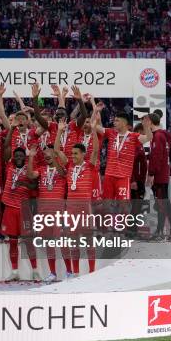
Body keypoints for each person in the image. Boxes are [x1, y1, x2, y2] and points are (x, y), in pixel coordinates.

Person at [55, 116, 99, 277]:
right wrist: (59, 132)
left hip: (85, 208)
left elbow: (95, 150)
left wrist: (93, 129)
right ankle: (75, 273)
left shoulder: (90, 166)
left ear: (82, 154)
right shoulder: (69, 165)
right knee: (73, 241)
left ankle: (93, 271)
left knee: (88, 240)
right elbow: (57, 150)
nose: (72, 156)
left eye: (75, 153)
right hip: (71, 208)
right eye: (72, 153)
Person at [1, 118, 39, 281]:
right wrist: (11, 129)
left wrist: (24, 182)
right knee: (13, 241)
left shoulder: (29, 168)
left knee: (29, 241)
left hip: (24, 209)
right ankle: (15, 271)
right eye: (15, 155)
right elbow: (7, 146)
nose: (17, 157)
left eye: (20, 155)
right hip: (10, 207)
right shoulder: (9, 165)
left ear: (24, 157)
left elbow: (33, 187)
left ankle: (35, 270)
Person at [26, 143, 66, 282]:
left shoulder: (62, 168)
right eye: (44, 154)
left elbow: (62, 173)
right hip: (44, 211)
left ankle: (70, 271)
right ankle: (52, 273)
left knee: (62, 242)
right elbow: (30, 175)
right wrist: (31, 158)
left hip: (58, 211)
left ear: (55, 154)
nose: (46, 155)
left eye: (48, 153)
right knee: (49, 242)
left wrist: (53, 156)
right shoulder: (42, 169)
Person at [95, 112, 152, 200]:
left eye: (117, 120)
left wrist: (147, 126)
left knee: (123, 207)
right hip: (109, 176)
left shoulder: (133, 136)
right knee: (107, 204)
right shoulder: (111, 133)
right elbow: (94, 126)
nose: (114, 122)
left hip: (123, 178)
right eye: (114, 120)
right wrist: (96, 112)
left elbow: (148, 138)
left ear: (124, 123)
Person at [146, 112, 171, 238]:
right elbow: (168, 154)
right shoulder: (164, 135)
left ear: (150, 122)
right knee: (165, 202)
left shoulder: (158, 136)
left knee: (161, 204)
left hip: (159, 174)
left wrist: (152, 173)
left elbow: (157, 156)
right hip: (163, 172)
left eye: (145, 121)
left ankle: (159, 232)